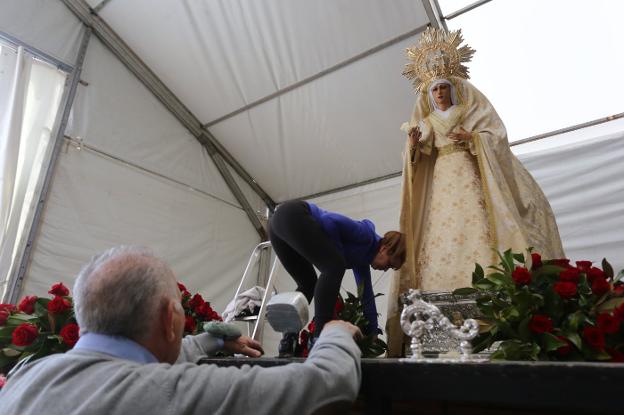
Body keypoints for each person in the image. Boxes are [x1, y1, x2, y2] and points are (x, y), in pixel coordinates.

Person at [0, 246, 363, 414]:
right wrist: (335, 332)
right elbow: (329, 383)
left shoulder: (27, 376)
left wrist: (214, 340)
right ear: (168, 318)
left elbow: (144, 361)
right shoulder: (169, 392)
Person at [386, 28, 565, 357]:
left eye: (444, 88)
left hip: (468, 176)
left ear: (453, 89)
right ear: (427, 94)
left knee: (477, 229)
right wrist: (412, 148)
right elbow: (415, 159)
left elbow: (494, 135)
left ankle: (489, 310)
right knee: (439, 235)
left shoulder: (469, 109)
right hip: (440, 182)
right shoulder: (424, 121)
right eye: (435, 89)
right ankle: (439, 314)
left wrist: (473, 140)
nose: (440, 93)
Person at [268, 200, 406, 356]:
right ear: (384, 248)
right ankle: (320, 338)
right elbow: (330, 220)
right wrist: (337, 254)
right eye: (388, 264)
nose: (385, 269)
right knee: (334, 266)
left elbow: (366, 293)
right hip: (293, 214)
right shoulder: (365, 234)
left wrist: (373, 331)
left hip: (278, 225)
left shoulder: (363, 260)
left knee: (307, 283)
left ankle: (288, 340)